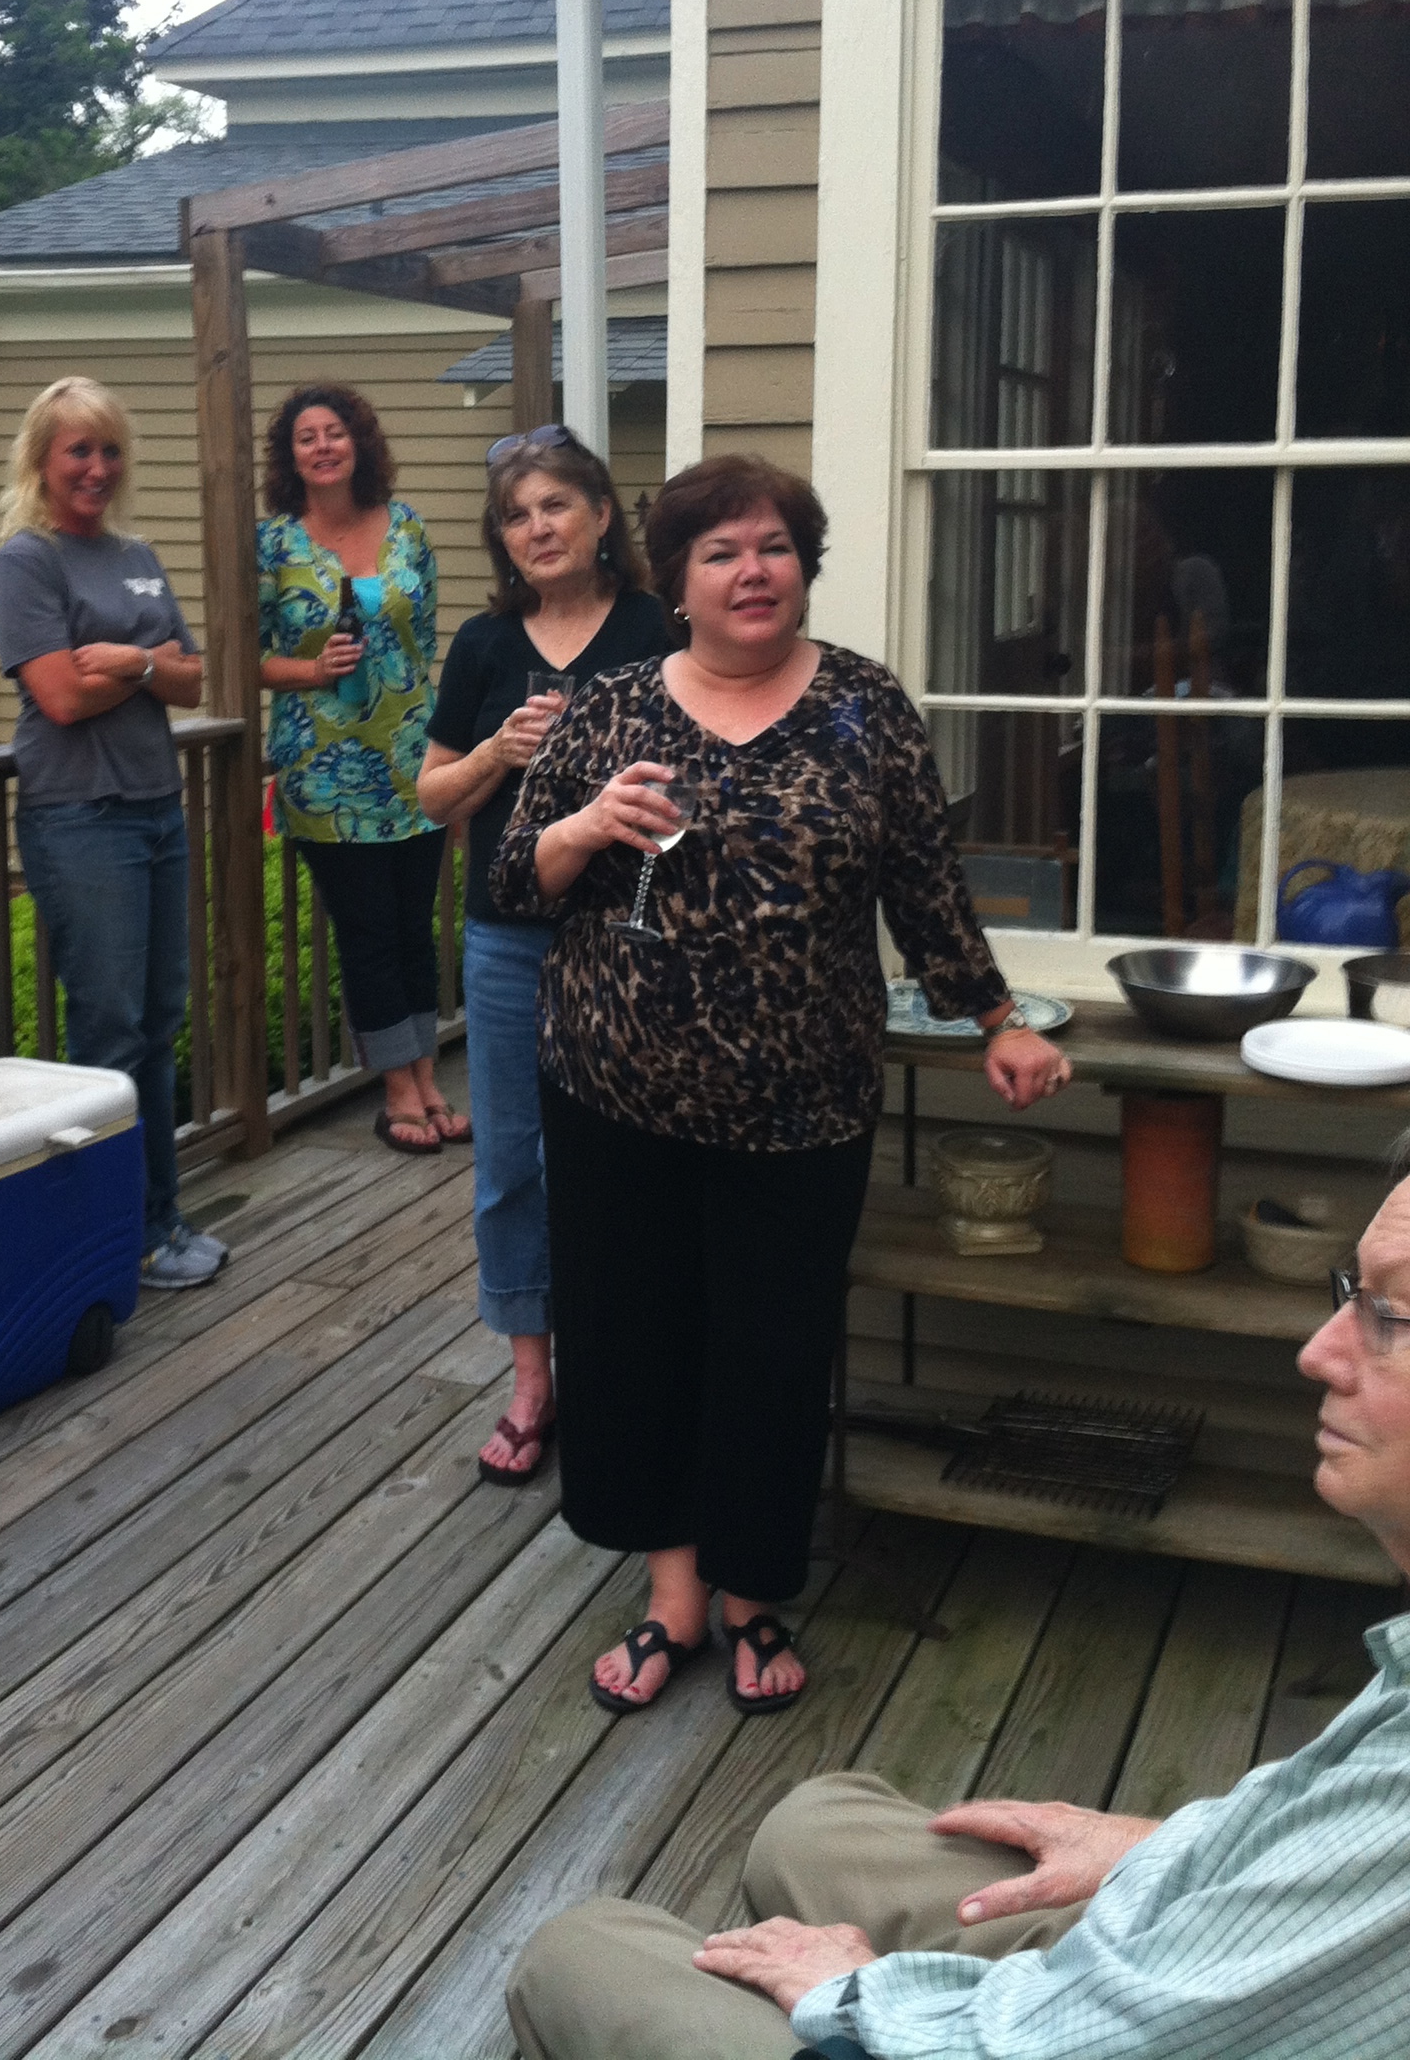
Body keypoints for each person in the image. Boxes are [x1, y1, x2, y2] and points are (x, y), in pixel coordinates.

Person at [510, 1158, 1410, 2060]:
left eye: (1391, 1316)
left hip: (1053, 2041)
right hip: (1166, 1973)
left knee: (578, 1957)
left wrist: (851, 1990)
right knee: (816, 1826)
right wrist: (1165, 1844)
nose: (1318, 1353)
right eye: (1352, 1295)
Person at [487, 455, 1069, 1718]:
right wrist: (582, 827)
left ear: (803, 565)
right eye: (721, 553)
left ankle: (753, 1594)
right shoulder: (610, 708)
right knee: (636, 1340)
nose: (752, 572)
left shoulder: (866, 707)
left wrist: (996, 1016)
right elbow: (507, 877)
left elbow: (924, 882)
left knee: (771, 1348)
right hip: (613, 1095)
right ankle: (672, 1596)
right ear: (675, 581)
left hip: (801, 1105)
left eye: (774, 547)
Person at [418, 425, 669, 1486]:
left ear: (601, 515)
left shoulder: (657, 628)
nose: (538, 528)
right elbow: (431, 795)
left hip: (629, 939)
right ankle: (532, 1383)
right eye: (517, 517)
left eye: (557, 505)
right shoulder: (484, 645)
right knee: (513, 1163)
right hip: (507, 942)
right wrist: (496, 750)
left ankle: (619, 1367)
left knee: (624, 1160)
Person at [0, 376, 223, 1292]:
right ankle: (118, 1237)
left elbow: (195, 680)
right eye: (78, 450)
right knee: (111, 1030)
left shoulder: (135, 555)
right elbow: (59, 698)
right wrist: (148, 665)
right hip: (80, 816)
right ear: (42, 460)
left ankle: (158, 1218)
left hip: (156, 806)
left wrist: (129, 662)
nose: (96, 467)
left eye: (109, 449)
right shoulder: (29, 561)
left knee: (158, 1021)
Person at [257, 383, 461, 1152]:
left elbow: (424, 639)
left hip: (414, 765)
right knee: (369, 931)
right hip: (324, 773)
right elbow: (245, 655)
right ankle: (398, 1090)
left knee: (414, 930)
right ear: (291, 457)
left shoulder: (407, 526)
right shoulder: (274, 545)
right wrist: (312, 672)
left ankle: (428, 1079)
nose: (322, 446)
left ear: (358, 443)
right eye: (305, 437)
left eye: (334, 432)